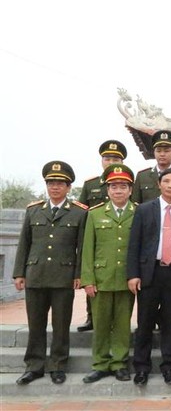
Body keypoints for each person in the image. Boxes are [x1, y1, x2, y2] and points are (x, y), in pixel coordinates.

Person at [13, 161, 87, 385]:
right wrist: (19, 273)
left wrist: (79, 274)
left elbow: (82, 247)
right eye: (51, 183)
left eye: (60, 183)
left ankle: (58, 365)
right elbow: (24, 243)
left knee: (61, 323)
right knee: (35, 323)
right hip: (35, 274)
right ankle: (34, 366)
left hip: (63, 276)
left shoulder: (78, 212)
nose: (55, 187)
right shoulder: (34, 210)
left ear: (68, 187)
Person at [127, 168, 171, 386]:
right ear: (159, 184)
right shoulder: (144, 210)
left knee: (170, 322)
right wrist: (133, 274)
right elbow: (134, 244)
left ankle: (169, 366)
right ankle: (142, 367)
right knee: (144, 321)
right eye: (167, 181)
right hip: (149, 272)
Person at [80, 164, 137, 383]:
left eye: (123, 186)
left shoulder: (138, 212)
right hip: (101, 278)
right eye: (113, 186)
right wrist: (88, 279)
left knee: (123, 324)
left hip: (126, 278)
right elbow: (87, 250)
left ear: (130, 190)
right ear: (107, 190)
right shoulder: (94, 215)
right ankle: (100, 363)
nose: (118, 191)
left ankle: (120, 363)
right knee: (101, 323)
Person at [77, 139, 127, 332]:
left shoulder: (128, 182)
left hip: (119, 237)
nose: (111, 161)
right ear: (101, 160)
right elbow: (82, 212)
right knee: (93, 280)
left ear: (121, 162)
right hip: (95, 238)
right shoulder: (91, 185)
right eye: (107, 158)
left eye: (115, 158)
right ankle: (91, 317)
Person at [131, 130, 171, 204]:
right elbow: (135, 203)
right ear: (154, 153)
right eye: (158, 151)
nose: (162, 154)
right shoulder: (142, 176)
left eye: (166, 151)